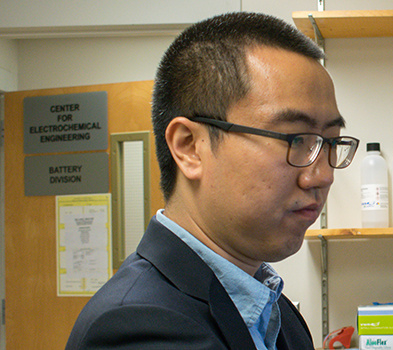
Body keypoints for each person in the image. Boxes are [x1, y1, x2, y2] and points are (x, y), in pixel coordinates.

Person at [66, 12, 359, 350]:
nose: (322, 175)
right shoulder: (139, 327)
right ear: (189, 147)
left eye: (332, 142)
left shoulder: (274, 310)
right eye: (295, 138)